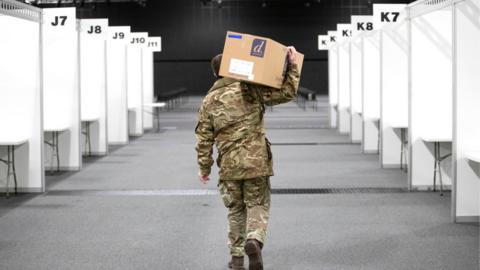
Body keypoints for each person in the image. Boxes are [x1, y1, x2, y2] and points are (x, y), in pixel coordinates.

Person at [195, 46, 300, 270]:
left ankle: (236, 259)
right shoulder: (250, 89)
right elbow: (287, 93)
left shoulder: (208, 101)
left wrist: (204, 169)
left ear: (215, 74)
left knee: (235, 210)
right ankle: (254, 239)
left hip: (229, 167)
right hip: (256, 162)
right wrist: (292, 65)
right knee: (257, 204)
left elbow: (203, 139)